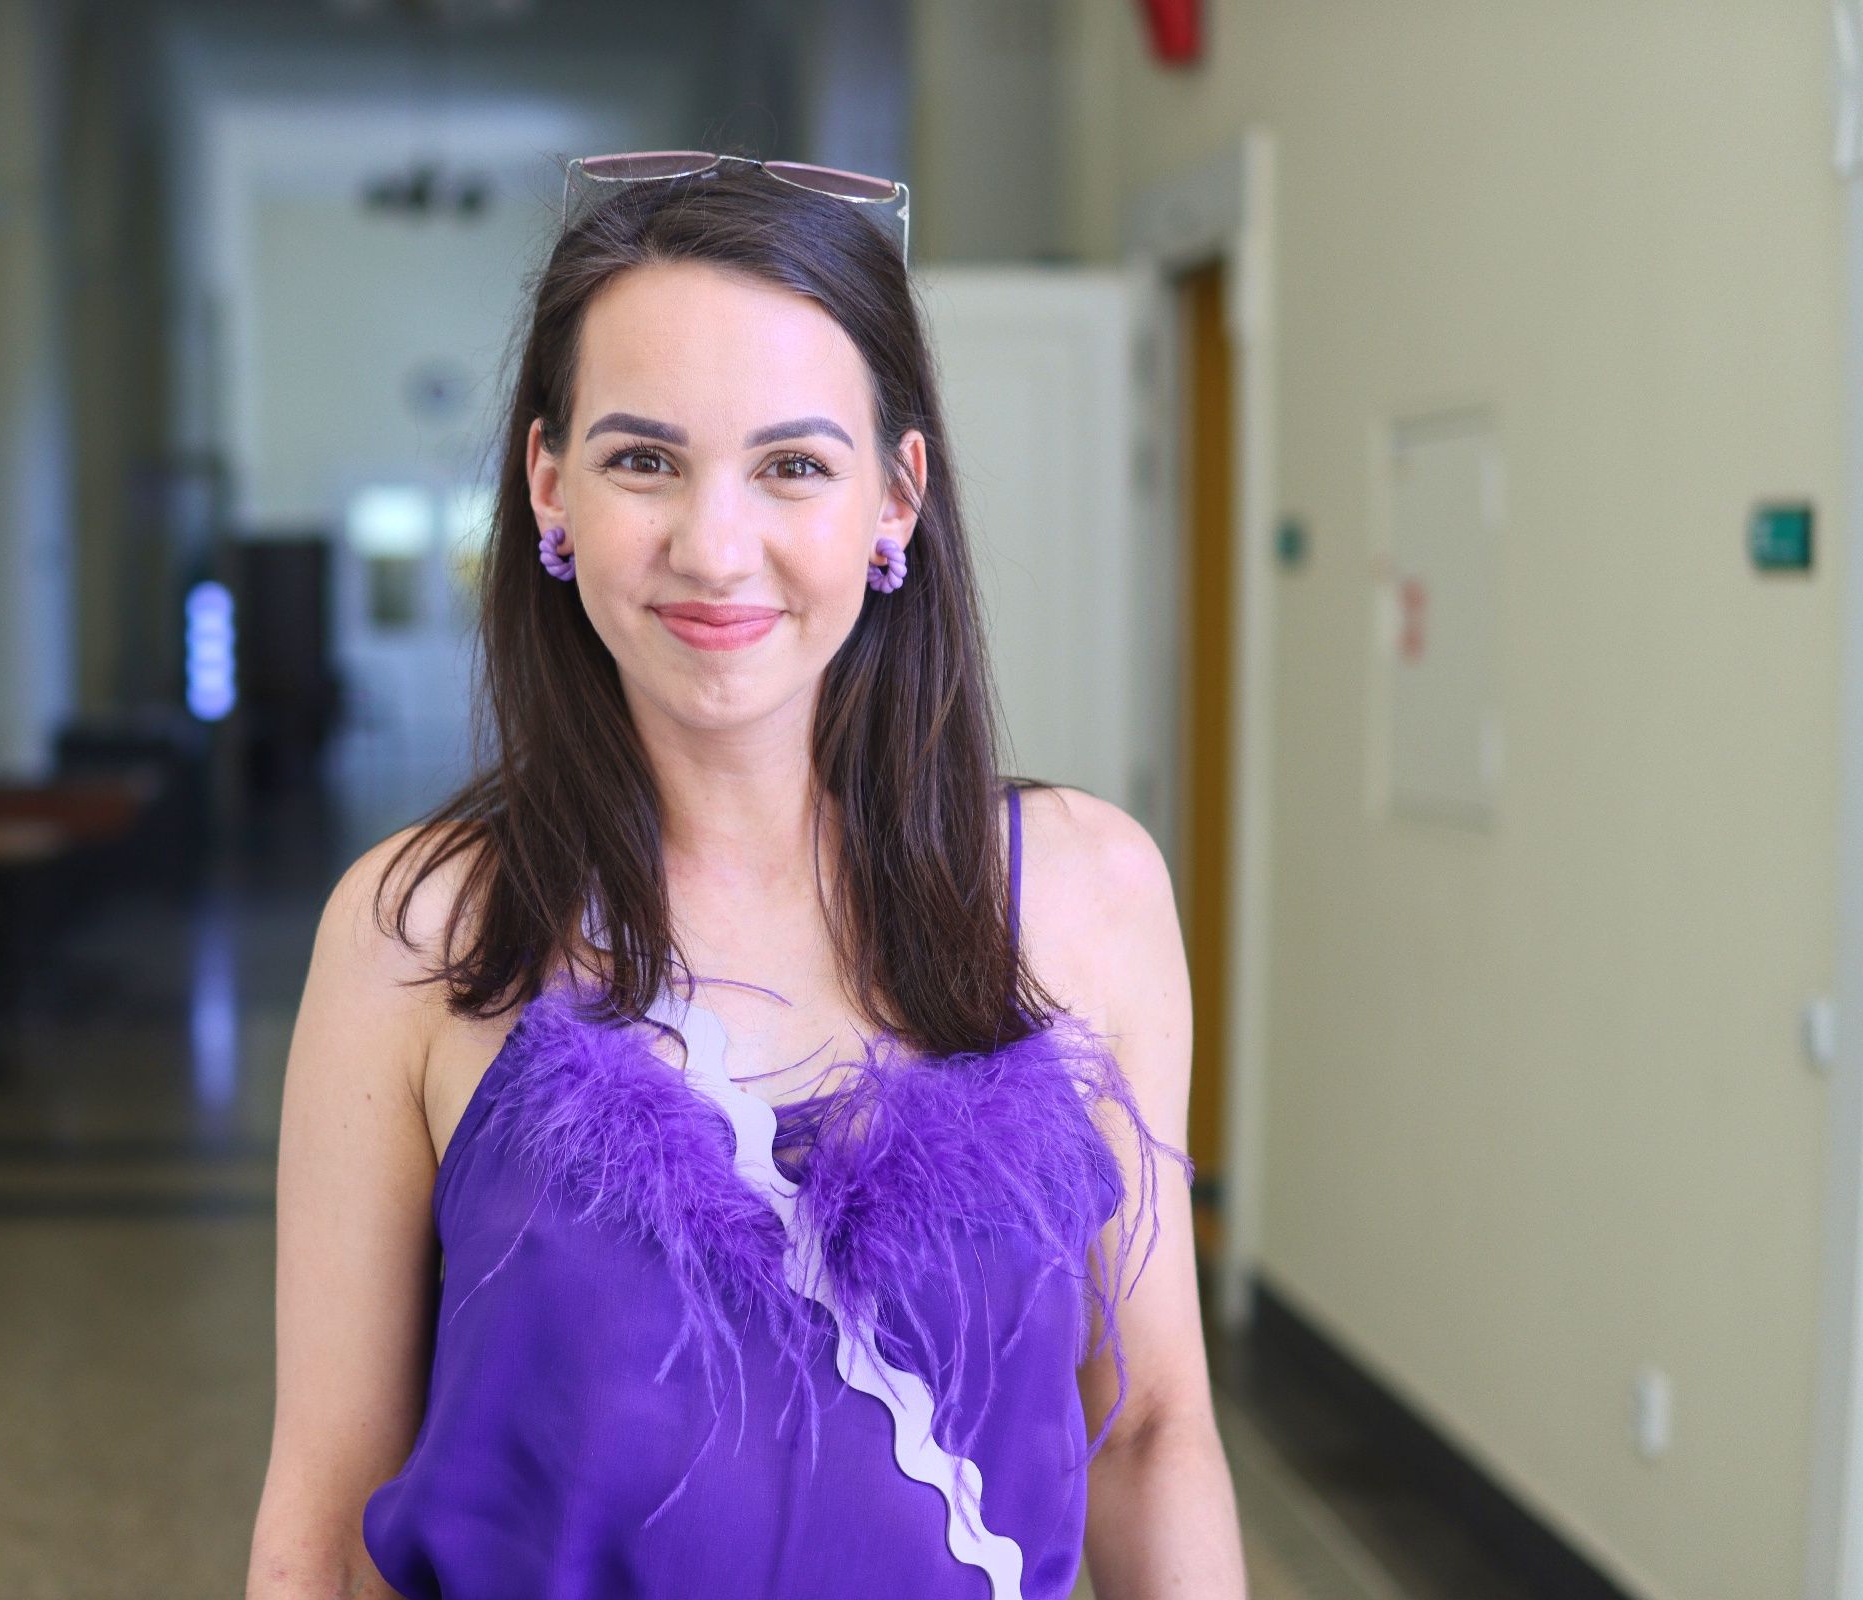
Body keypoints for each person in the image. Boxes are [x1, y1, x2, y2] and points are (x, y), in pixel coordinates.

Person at [248, 153, 1245, 1599]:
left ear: (896, 496)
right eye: (644, 460)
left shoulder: (1085, 896)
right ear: (549, 485)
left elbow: (1150, 1433)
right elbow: (328, 1503)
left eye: (794, 465)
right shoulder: (420, 933)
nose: (716, 550)